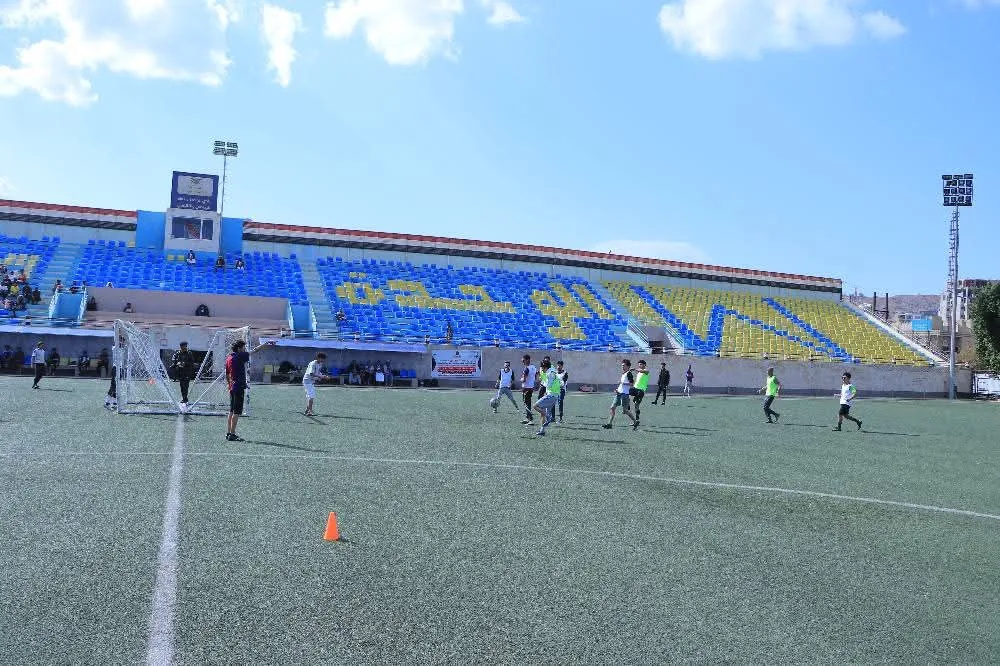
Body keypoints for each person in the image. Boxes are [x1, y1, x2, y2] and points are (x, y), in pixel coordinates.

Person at [225, 339, 275, 442]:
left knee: (231, 411)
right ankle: (233, 434)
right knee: (236, 412)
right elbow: (254, 351)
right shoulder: (240, 355)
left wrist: (230, 384)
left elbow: (227, 373)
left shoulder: (229, 357)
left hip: (232, 386)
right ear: (239, 348)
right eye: (243, 347)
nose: (244, 349)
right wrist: (265, 344)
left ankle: (229, 432)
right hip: (238, 387)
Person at [603, 359, 639, 431]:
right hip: (619, 393)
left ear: (628, 366)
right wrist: (617, 389)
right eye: (622, 365)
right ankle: (609, 424)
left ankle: (635, 421)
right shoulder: (623, 374)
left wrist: (622, 383)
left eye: (624, 365)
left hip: (625, 394)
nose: (622, 367)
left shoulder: (629, 374)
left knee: (625, 410)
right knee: (612, 408)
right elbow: (622, 385)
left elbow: (632, 384)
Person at [533, 358, 561, 436]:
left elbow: (549, 385)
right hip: (552, 395)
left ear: (545, 367)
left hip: (551, 395)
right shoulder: (550, 371)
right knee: (542, 412)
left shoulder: (550, 373)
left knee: (535, 406)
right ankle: (542, 430)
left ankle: (549, 417)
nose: (541, 369)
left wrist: (542, 383)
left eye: (542, 368)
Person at [171, 341, 197, 407]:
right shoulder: (178, 353)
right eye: (184, 346)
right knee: (182, 386)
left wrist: (185, 363)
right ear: (181, 347)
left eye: (186, 346)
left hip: (187, 372)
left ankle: (185, 399)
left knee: (186, 386)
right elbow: (174, 359)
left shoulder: (189, 353)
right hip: (180, 372)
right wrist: (176, 363)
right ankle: (184, 398)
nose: (185, 347)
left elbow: (192, 362)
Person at [303, 352, 329, 416]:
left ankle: (307, 410)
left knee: (311, 396)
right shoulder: (313, 364)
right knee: (311, 396)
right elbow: (311, 373)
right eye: (322, 359)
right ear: (318, 358)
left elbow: (318, 372)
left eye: (324, 359)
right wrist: (321, 377)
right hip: (307, 381)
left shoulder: (320, 364)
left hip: (311, 381)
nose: (323, 360)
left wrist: (323, 376)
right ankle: (310, 411)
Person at [520, 354, 538, 425]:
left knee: (526, 404)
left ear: (527, 360)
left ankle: (530, 419)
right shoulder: (533, 367)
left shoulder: (526, 369)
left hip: (526, 388)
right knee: (528, 402)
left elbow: (524, 380)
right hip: (531, 387)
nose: (522, 361)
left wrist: (520, 379)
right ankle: (527, 418)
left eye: (523, 360)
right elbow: (536, 375)